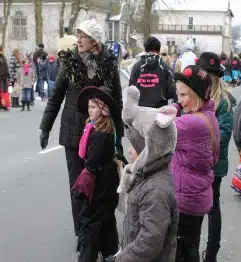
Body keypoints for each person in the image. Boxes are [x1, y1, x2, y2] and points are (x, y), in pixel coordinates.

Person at [39, 19, 123, 236]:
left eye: (82, 36)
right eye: (77, 36)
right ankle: (83, 234)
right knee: (78, 186)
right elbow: (56, 96)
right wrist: (45, 127)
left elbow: (117, 101)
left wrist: (119, 137)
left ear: (94, 40)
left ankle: (101, 235)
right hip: (74, 133)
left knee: (101, 186)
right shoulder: (69, 63)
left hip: (101, 133)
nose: (77, 40)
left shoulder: (109, 64)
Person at [109, 85, 178, 261]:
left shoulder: (155, 190)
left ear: (149, 150)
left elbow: (150, 242)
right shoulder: (145, 175)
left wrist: (120, 259)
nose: (130, 150)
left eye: (134, 146)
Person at [172, 65, 220, 262]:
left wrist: (172, 108)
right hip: (196, 193)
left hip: (186, 198)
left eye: (184, 95)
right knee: (189, 247)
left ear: (197, 95)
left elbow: (157, 126)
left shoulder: (191, 123)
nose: (180, 100)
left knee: (182, 252)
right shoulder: (208, 116)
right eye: (178, 95)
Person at [74, 86, 121, 261]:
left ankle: (89, 256)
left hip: (100, 183)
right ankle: (110, 253)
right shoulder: (104, 129)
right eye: (89, 107)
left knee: (91, 223)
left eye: (93, 107)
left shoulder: (99, 134)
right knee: (106, 221)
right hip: (108, 181)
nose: (89, 111)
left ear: (103, 110)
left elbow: (92, 162)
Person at [197, 52, 236, 262]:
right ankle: (192, 250)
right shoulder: (195, 96)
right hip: (195, 163)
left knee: (212, 207)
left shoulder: (224, 102)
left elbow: (223, 134)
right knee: (194, 208)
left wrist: (197, 145)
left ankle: (211, 253)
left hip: (212, 163)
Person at [129, 36, 176, 108]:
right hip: (159, 112)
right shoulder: (166, 68)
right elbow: (172, 91)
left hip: (140, 111)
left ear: (145, 50)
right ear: (159, 51)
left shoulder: (136, 66)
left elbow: (131, 90)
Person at [0, 45, 10, 111]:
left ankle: (5, 105)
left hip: (5, 77)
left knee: (5, 91)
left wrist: (8, 74)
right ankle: (1, 105)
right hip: (0, 77)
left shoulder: (3, 56)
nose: (2, 50)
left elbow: (6, 66)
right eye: (2, 49)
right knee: (0, 91)